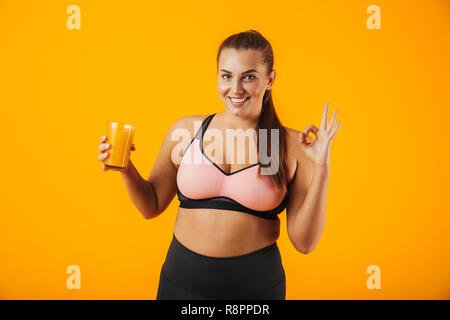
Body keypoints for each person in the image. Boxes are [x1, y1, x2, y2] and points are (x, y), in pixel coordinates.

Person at [97, 30, 341, 300]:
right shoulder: (188, 131)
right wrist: (126, 169)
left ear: (270, 79)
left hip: (257, 292)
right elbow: (151, 206)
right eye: (226, 76)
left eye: (249, 77)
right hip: (180, 286)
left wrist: (321, 170)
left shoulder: (285, 144)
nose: (235, 89)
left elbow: (304, 243)